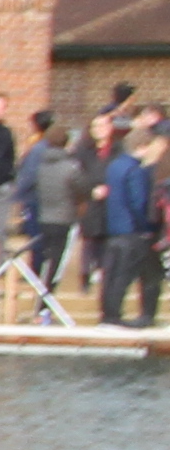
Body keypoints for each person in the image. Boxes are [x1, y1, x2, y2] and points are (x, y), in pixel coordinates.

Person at [93, 125, 162, 329]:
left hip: (114, 229)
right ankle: (135, 316)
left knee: (113, 275)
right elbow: (138, 202)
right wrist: (147, 226)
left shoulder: (115, 165)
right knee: (138, 275)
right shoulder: (136, 169)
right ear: (142, 146)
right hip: (133, 231)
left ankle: (108, 315)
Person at [16, 110, 88, 297]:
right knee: (56, 258)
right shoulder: (70, 166)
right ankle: (46, 295)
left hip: (44, 213)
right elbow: (81, 189)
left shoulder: (42, 162)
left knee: (41, 248)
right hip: (62, 216)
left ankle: (39, 283)